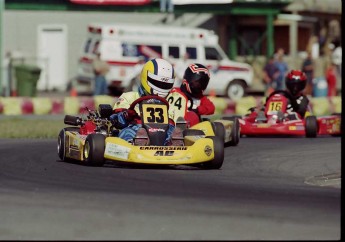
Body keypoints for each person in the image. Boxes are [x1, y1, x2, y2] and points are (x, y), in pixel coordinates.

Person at [109, 58, 176, 145]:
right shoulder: (129, 97)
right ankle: (138, 142)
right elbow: (117, 120)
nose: (161, 87)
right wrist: (127, 115)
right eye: (157, 83)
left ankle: (171, 144)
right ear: (145, 77)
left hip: (161, 134)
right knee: (128, 132)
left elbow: (170, 124)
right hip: (135, 131)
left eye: (165, 85)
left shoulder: (168, 103)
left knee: (172, 131)